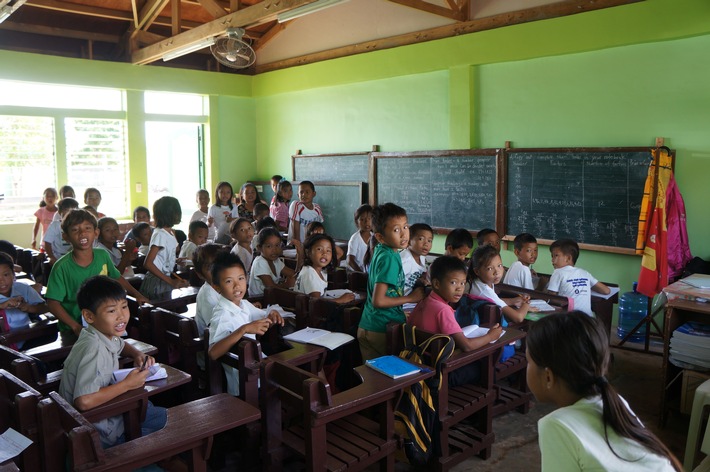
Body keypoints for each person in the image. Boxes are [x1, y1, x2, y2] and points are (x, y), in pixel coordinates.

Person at [527, 311, 680, 471]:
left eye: (528, 361)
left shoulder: (556, 425)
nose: (527, 367)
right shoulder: (615, 402)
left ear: (548, 377)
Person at [58, 276, 166, 448]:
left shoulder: (96, 334)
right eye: (111, 311)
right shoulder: (94, 349)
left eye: (124, 307)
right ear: (89, 316)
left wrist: (137, 354)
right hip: (99, 434)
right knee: (166, 429)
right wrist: (128, 384)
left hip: (101, 419)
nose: (121, 316)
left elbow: (121, 344)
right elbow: (83, 401)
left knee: (157, 413)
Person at [45, 209, 148, 341]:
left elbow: (116, 277)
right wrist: (75, 327)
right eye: (75, 230)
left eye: (87, 228)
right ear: (66, 237)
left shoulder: (102, 255)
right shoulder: (61, 267)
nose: (82, 233)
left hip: (105, 323)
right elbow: (53, 303)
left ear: (95, 233)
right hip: (74, 329)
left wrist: (137, 294)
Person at [409, 256, 502, 386]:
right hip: (440, 374)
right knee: (485, 364)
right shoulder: (442, 309)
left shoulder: (424, 301)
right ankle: (486, 403)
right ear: (436, 284)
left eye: (463, 283)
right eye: (453, 282)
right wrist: (490, 336)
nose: (459, 288)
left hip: (422, 365)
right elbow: (467, 346)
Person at [208, 252, 283, 396]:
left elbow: (263, 318)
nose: (237, 286)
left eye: (241, 278)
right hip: (244, 382)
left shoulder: (243, 304)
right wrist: (244, 329)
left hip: (256, 370)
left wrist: (271, 315)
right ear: (216, 287)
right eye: (229, 281)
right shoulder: (222, 314)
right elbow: (213, 352)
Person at [357, 203, 425, 361]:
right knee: (386, 379)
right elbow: (379, 300)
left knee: (373, 380)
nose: (404, 234)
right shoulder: (390, 258)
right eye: (396, 230)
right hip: (382, 329)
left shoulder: (382, 251)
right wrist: (411, 298)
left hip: (368, 324)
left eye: (406, 227)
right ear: (380, 237)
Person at [139, 196, 189, 300]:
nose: (179, 214)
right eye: (176, 211)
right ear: (169, 214)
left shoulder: (169, 232)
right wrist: (171, 281)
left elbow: (162, 256)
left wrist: (175, 260)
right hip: (157, 282)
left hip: (164, 280)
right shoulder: (160, 234)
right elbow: (148, 263)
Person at [468, 244, 531, 324]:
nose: (497, 272)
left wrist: (512, 301)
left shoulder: (480, 282)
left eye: (499, 266)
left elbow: (491, 300)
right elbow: (518, 318)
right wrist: (527, 304)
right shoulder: (484, 289)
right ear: (477, 271)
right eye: (489, 268)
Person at [547, 239, 610, 316]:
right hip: (587, 319)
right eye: (552, 256)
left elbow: (551, 298)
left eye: (556, 255)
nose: (552, 260)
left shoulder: (558, 272)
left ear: (568, 258)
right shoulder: (584, 273)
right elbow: (606, 291)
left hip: (568, 319)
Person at [0, 252, 50, 349]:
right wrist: (2, 305)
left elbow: (45, 308)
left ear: (13, 275)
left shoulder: (22, 288)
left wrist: (28, 307)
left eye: (6, 275)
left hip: (25, 338)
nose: (1, 281)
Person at [294, 234, 355, 303]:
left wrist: (328, 240)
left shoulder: (321, 269)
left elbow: (340, 253)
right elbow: (316, 304)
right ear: (308, 252)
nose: (324, 253)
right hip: (310, 312)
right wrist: (340, 300)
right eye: (319, 249)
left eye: (328, 250)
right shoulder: (310, 273)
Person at [248, 227, 296, 297]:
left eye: (277, 245)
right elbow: (271, 288)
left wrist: (300, 253)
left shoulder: (276, 261)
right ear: (259, 248)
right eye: (269, 246)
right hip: (259, 301)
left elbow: (293, 274)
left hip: (271, 297)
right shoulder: (260, 263)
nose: (274, 250)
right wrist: (287, 284)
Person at [44, 198, 79, 264]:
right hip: (58, 257)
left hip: (74, 256)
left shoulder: (79, 225)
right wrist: (51, 257)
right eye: (66, 212)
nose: (69, 216)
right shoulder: (55, 225)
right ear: (60, 213)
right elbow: (47, 242)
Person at [288, 180, 323, 245]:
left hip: (310, 245)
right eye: (301, 192)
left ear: (314, 194)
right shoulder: (296, 205)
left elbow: (319, 228)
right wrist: (298, 246)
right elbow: (295, 227)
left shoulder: (317, 208)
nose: (304, 194)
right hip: (296, 245)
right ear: (298, 195)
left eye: (307, 192)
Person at [401, 223, 432, 295]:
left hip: (411, 296)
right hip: (401, 301)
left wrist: (421, 280)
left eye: (429, 241)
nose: (426, 244)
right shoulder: (405, 260)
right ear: (409, 240)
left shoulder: (421, 257)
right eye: (421, 239)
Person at [346, 204, 372, 272]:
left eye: (369, 218)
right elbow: (350, 260)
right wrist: (361, 273)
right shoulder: (355, 239)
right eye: (362, 219)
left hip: (368, 272)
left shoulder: (374, 237)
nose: (366, 222)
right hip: (356, 273)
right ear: (357, 222)